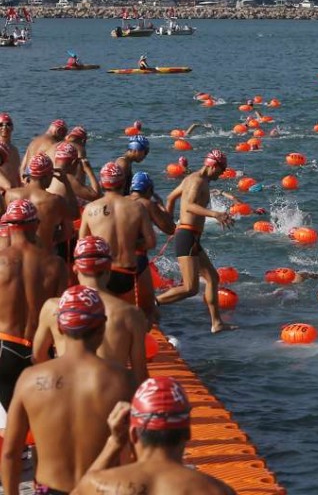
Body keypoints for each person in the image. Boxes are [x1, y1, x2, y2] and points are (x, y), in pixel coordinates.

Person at [1, 285, 134, 495]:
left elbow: (10, 453)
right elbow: (140, 453)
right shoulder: (124, 381)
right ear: (102, 328)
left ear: (60, 328)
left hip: (50, 488)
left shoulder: (30, 380)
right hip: (102, 489)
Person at [75, 377, 236, 494]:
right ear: (187, 433)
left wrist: (115, 442)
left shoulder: (98, 484)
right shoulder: (217, 491)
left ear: (133, 434)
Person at [34, 236, 149, 384]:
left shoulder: (52, 307)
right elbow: (139, 374)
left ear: (75, 268)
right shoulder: (131, 314)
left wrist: (59, 383)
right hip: (111, 396)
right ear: (109, 267)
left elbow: (38, 355)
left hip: (69, 393)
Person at [0, 200, 66, 413]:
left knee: (12, 422)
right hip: (41, 351)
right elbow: (61, 315)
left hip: (5, 349)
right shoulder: (56, 264)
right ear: (36, 224)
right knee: (42, 422)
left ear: (8, 226)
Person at [160, 150, 236, 333]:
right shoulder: (197, 181)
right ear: (213, 165)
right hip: (187, 235)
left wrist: (170, 222)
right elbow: (189, 206)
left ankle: (216, 323)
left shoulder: (193, 179)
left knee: (212, 277)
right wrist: (215, 214)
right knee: (190, 288)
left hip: (190, 236)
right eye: (221, 169)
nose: (222, 173)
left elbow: (171, 197)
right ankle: (152, 303)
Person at [79, 163, 156, 313]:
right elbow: (151, 242)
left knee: (106, 317)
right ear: (124, 183)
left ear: (101, 183)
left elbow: (82, 246)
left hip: (103, 273)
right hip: (129, 271)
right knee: (145, 314)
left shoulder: (90, 209)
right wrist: (130, 244)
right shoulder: (137, 207)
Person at [3, 153, 77, 254]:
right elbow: (75, 215)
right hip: (43, 255)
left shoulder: (10, 194)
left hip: (16, 254)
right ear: (47, 176)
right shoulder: (54, 200)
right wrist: (66, 183)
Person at [0, 112, 20, 186]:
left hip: (14, 191)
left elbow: (17, 172)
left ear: (12, 128)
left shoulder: (14, 150)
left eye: (8, 124)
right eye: (1, 125)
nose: (4, 127)